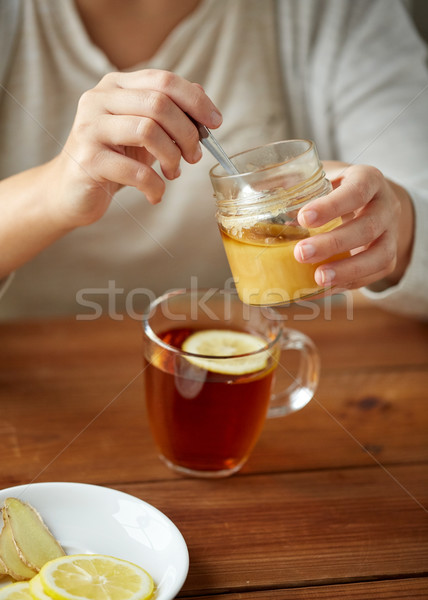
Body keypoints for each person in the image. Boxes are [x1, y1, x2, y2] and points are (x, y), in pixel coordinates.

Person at [0, 0, 427, 320]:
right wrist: (52, 192)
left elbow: (412, 192)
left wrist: (394, 221)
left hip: (271, 364)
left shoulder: (334, 11)